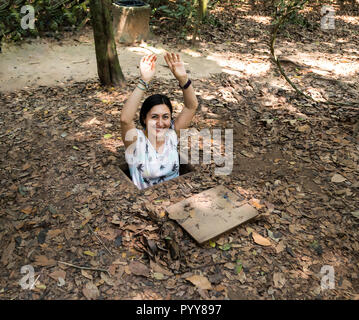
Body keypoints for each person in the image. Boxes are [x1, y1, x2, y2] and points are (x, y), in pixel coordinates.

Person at [120, 53, 198, 190]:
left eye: (165, 117)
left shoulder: (172, 134)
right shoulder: (136, 141)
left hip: (177, 197)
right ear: (144, 118)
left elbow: (191, 106)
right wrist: (144, 81)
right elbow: (125, 119)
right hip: (146, 205)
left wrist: (183, 79)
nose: (161, 123)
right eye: (154, 117)